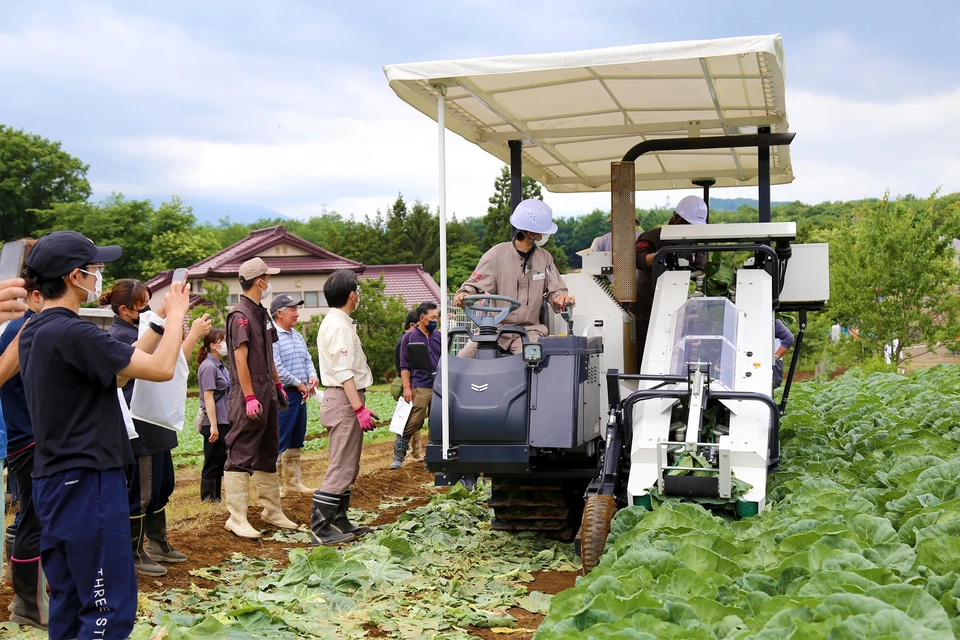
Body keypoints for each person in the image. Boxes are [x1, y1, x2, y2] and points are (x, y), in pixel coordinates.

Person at [19, 230, 190, 640]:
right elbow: (162, 369)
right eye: (95, 269)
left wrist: (160, 321)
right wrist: (179, 314)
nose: (99, 276)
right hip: (89, 481)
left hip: (54, 481)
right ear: (75, 277)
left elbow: (116, 372)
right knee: (105, 606)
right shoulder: (75, 333)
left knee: (68, 598)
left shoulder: (37, 332)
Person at [105, 280, 210, 575]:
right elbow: (155, 364)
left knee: (162, 486)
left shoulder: (146, 327)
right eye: (143, 304)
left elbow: (174, 364)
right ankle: (133, 551)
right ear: (124, 309)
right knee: (142, 492)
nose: (149, 309)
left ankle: (158, 542)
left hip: (159, 421)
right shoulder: (121, 336)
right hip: (140, 426)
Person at [223, 258, 297, 539]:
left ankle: (271, 509)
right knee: (241, 451)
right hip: (248, 393)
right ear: (259, 282)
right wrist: (250, 396)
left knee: (268, 449)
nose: (270, 282)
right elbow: (241, 361)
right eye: (268, 277)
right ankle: (237, 516)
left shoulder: (262, 313)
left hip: (267, 388)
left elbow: (269, 355)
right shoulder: (239, 315)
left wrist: (277, 385)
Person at [454, 199, 575, 357]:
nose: (546, 236)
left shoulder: (545, 258)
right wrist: (464, 293)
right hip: (495, 328)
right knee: (463, 360)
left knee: (536, 365)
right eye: (544, 232)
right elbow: (473, 284)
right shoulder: (496, 254)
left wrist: (561, 299)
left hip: (529, 331)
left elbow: (556, 290)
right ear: (531, 233)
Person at [311, 269, 376, 545]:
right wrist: (359, 408)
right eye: (357, 291)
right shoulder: (338, 326)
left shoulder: (339, 322)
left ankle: (339, 520)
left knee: (349, 464)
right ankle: (320, 527)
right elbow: (345, 372)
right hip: (343, 398)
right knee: (340, 465)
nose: (358, 295)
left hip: (343, 397)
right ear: (352, 295)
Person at [0, 259, 48, 629]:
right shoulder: (23, 329)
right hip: (28, 439)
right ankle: (28, 604)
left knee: (37, 519)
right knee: (33, 521)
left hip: (30, 438)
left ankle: (35, 597)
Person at [635, 195, 709, 365]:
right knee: (646, 354)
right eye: (687, 225)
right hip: (648, 307)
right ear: (676, 219)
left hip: (681, 310)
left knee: (676, 357)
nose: (690, 230)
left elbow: (702, 269)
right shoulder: (653, 237)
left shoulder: (694, 243)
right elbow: (636, 259)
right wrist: (661, 257)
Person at [270, 293, 319, 497]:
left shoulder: (297, 335)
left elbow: (307, 359)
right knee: (280, 439)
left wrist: (312, 375)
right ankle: (274, 487)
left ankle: (293, 482)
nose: (297, 314)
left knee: (296, 439)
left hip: (301, 394)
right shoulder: (273, 337)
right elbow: (277, 368)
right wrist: (298, 383)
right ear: (280, 313)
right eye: (293, 310)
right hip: (284, 395)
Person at [391, 301, 441, 469]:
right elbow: (404, 365)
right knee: (413, 420)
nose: (436, 320)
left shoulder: (439, 337)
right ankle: (399, 453)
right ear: (422, 318)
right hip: (420, 385)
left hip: (439, 385)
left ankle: (433, 458)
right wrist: (407, 387)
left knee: (437, 422)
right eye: (433, 317)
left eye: (437, 317)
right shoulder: (410, 337)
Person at [197, 328, 230, 503]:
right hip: (214, 422)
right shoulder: (208, 367)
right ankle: (208, 498)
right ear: (213, 345)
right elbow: (208, 397)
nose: (226, 344)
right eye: (223, 340)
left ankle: (216, 496)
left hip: (224, 418)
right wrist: (214, 426)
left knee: (220, 458)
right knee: (213, 459)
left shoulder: (221, 366)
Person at [773, 319, 795, 388]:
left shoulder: (773, 321)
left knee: (772, 387)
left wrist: (775, 357)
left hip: (773, 361)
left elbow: (789, 338)